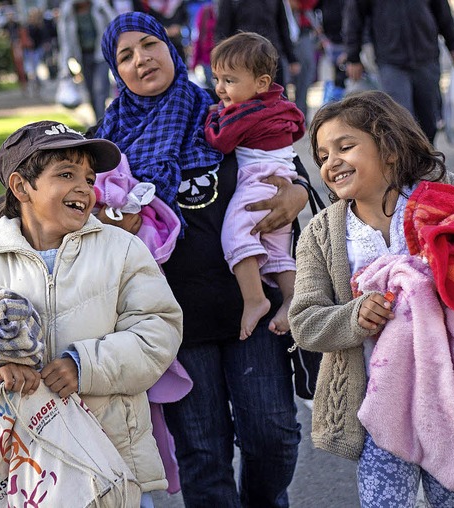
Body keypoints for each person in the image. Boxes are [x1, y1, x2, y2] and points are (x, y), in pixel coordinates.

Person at [93, 12, 308, 507]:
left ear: (171, 48)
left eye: (149, 45)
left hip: (249, 309)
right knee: (203, 455)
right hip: (172, 322)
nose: (141, 59)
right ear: (115, 70)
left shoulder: (225, 106)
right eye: (125, 56)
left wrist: (297, 193)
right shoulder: (104, 143)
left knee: (272, 436)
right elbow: (84, 223)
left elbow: (283, 162)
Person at [0, 120, 183, 506]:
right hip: (27, 476)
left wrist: (83, 365)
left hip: (113, 468)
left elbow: (160, 332)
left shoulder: (122, 249)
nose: (84, 189)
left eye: (89, 178)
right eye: (66, 174)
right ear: (22, 187)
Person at [288, 90, 454, 507]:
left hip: (450, 401)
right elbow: (304, 322)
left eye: (345, 146)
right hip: (379, 409)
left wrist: (450, 286)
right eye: (321, 155)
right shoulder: (322, 234)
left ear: (389, 148)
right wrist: (356, 316)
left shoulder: (450, 198)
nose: (330, 162)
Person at [204, 32, 305, 340]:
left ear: (261, 83)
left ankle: (255, 299)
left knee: (235, 233)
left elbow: (220, 141)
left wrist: (212, 118)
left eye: (229, 81)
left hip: (258, 180)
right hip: (282, 177)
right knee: (275, 249)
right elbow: (299, 126)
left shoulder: (243, 112)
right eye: (217, 79)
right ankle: (292, 298)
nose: (220, 89)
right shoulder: (280, 104)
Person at [343, 0, 454, 144]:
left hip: (426, 57)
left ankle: (428, 156)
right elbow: (354, 18)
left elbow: (443, 12)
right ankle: (409, 161)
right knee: (400, 118)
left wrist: (453, 45)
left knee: (429, 118)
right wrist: (353, 57)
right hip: (391, 61)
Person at [215, 0, 301, 87]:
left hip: (272, 57)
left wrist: (292, 58)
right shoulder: (231, 2)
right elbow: (222, 30)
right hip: (242, 59)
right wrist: (220, 59)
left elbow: (283, 27)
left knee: (276, 93)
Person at [58, 0, 117, 122]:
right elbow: (65, 39)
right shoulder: (68, 10)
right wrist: (64, 65)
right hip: (83, 57)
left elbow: (114, 24)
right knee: (90, 92)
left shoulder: (99, 6)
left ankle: (102, 122)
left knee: (100, 90)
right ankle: (98, 120)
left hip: (101, 54)